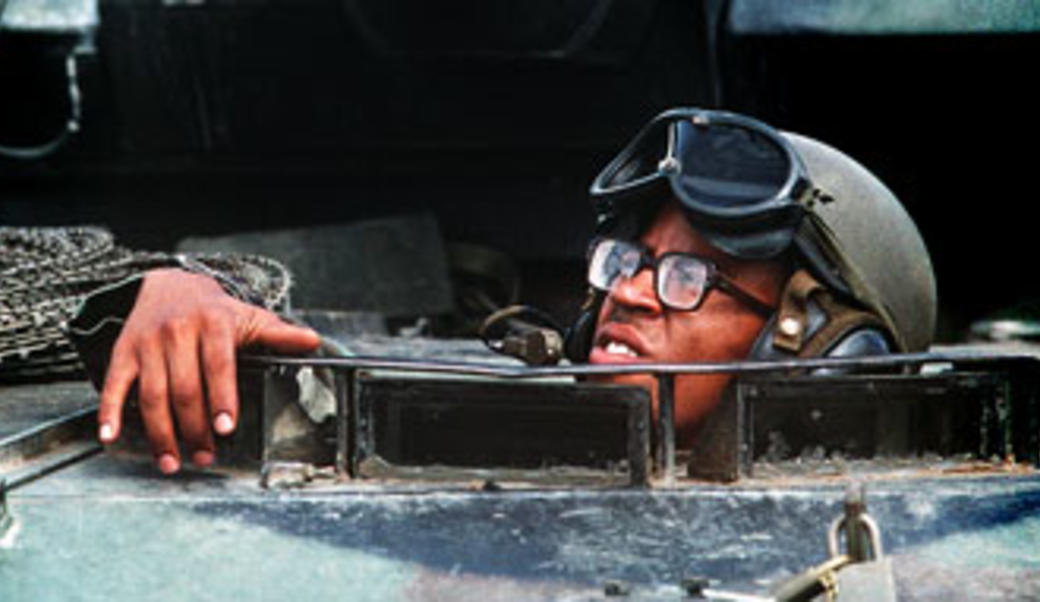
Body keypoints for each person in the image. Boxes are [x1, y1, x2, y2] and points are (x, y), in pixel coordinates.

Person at [83, 107, 937, 471]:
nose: (630, 294)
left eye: (690, 278)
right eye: (630, 262)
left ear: (824, 357)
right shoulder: (506, 449)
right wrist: (178, 293)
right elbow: (330, 392)